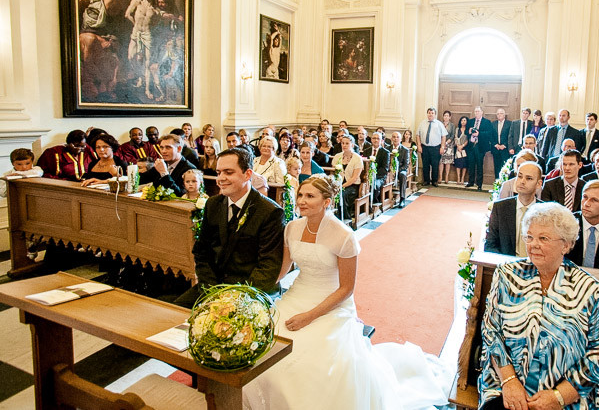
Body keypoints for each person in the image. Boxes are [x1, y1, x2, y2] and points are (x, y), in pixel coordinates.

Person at [243, 175, 449, 409]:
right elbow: (283, 270)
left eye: (310, 196)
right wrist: (255, 293)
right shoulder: (291, 228)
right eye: (300, 195)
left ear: (327, 202)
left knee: (306, 362)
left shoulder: (343, 236)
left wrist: (309, 316)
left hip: (331, 303)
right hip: (297, 294)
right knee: (264, 345)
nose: (301, 201)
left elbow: (346, 288)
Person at [479, 202, 599, 410]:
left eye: (543, 238)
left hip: (566, 395)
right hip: (507, 386)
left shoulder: (588, 288)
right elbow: (491, 331)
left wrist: (559, 396)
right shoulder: (507, 274)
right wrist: (509, 381)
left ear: (566, 245)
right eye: (529, 237)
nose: (533, 245)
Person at [177, 148, 285, 307]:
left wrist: (236, 299)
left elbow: (268, 267)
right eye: (219, 172)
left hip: (252, 292)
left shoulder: (270, 212)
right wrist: (211, 290)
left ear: (247, 174)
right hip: (214, 286)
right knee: (174, 315)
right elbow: (202, 252)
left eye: (228, 172)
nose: (221, 178)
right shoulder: (213, 204)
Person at [485, 161, 543, 256]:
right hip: (505, 265)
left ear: (538, 184)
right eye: (519, 176)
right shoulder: (500, 208)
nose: (522, 181)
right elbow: (490, 244)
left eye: (528, 178)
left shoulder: (545, 212)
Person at [333, 134, 364, 221]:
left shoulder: (357, 159)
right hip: (339, 183)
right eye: (343, 143)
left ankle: (345, 218)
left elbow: (354, 178)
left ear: (352, 145)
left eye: (347, 143)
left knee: (342, 195)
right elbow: (334, 173)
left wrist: (342, 187)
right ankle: (333, 217)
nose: (344, 145)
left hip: (352, 185)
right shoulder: (337, 156)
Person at [465, 106, 496, 191]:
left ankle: (479, 184)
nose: (477, 113)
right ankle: (470, 182)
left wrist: (479, 134)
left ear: (482, 112)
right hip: (471, 146)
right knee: (471, 164)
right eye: (475, 111)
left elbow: (489, 133)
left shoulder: (487, 122)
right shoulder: (471, 121)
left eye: (478, 111)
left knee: (479, 165)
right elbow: (466, 132)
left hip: (480, 146)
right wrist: (469, 131)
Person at [416, 107, 447, 187]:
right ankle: (426, 180)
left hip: (436, 148)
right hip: (424, 147)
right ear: (427, 114)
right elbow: (418, 135)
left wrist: (442, 147)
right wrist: (419, 145)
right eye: (429, 113)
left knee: (435, 165)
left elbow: (443, 136)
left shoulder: (439, 124)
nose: (430, 114)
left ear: (435, 114)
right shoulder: (422, 123)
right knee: (425, 165)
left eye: (432, 113)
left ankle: (434, 181)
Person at [366, 131, 390, 200]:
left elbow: (384, 168)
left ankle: (373, 202)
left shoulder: (385, 152)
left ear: (381, 140)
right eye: (374, 138)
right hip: (367, 175)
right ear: (371, 140)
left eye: (378, 138)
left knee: (374, 184)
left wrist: (373, 175)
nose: (376, 140)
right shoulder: (366, 151)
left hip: (379, 176)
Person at [388, 131, 410, 207]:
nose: (395, 139)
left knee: (403, 175)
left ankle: (402, 198)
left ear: (401, 139)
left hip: (400, 169)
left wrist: (397, 170)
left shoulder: (405, 150)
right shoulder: (387, 149)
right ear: (391, 138)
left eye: (397, 137)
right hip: (389, 170)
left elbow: (406, 165)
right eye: (394, 137)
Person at [491, 108, 512, 179]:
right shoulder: (493, 124)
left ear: (504, 115)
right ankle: (497, 183)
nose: (499, 115)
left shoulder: (509, 124)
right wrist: (495, 144)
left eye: (501, 113)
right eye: (498, 114)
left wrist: (504, 145)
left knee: (505, 167)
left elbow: (510, 136)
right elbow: (491, 136)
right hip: (496, 149)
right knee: (496, 167)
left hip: (505, 150)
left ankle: (504, 184)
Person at [439, 110, 456, 183]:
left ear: (450, 117)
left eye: (447, 116)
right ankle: (440, 177)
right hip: (440, 145)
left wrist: (446, 142)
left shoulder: (452, 125)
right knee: (441, 161)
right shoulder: (440, 124)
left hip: (449, 145)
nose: (446, 117)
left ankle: (446, 177)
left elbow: (452, 136)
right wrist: (442, 143)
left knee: (447, 162)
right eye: (445, 115)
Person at [454, 116, 469, 185]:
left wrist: (462, 146)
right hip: (458, 149)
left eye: (464, 120)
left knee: (464, 164)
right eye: (462, 120)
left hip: (465, 149)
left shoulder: (468, 130)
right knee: (458, 163)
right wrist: (458, 146)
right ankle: (458, 178)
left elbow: (468, 140)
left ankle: (463, 178)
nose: (463, 122)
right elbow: (455, 138)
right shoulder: (457, 129)